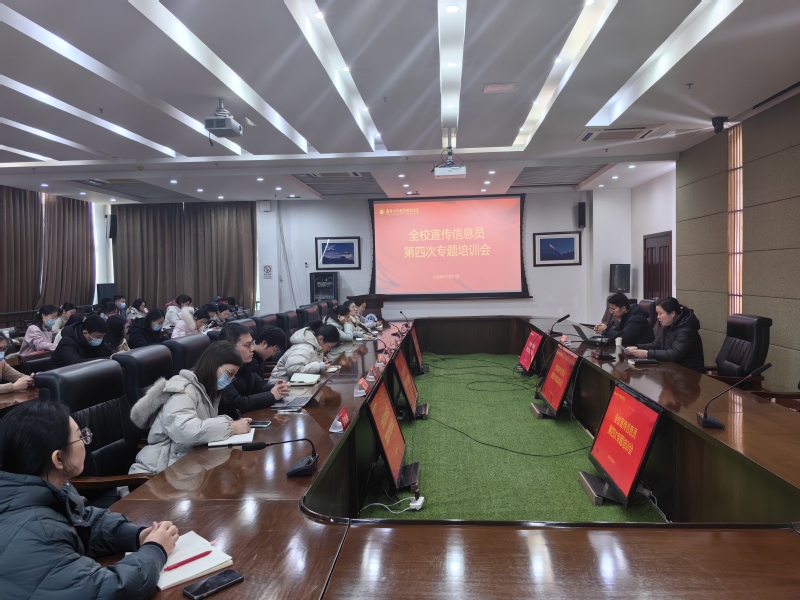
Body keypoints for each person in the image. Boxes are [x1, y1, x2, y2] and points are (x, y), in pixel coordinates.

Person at [0, 400, 178, 598]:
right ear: (58, 459)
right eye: (80, 437)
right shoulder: (37, 531)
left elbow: (80, 521)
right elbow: (109, 590)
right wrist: (155, 550)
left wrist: (136, 536)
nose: (85, 442)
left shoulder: (37, 494)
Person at [129, 341, 251, 475]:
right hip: (160, 470)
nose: (229, 379)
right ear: (214, 365)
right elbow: (186, 431)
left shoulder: (207, 390)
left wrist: (229, 423)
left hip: (183, 464)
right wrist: (231, 427)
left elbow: (200, 424)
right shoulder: (183, 390)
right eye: (229, 373)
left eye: (233, 376)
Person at [217, 323, 290, 418]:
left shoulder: (246, 364)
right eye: (247, 345)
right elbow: (235, 403)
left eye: (252, 344)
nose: (252, 349)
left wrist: (277, 388)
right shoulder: (219, 369)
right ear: (230, 346)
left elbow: (259, 386)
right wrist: (272, 395)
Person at [626, 296, 705, 372]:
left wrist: (647, 353)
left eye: (660, 314)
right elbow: (656, 345)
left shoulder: (686, 330)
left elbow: (675, 354)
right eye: (657, 314)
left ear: (672, 313)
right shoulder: (668, 326)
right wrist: (637, 347)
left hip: (689, 373)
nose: (658, 317)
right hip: (672, 370)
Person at [268, 321, 338, 384]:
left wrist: (321, 362)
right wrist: (319, 366)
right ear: (321, 339)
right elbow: (294, 370)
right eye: (329, 346)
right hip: (279, 384)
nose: (328, 349)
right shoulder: (303, 348)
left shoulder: (317, 347)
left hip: (292, 383)